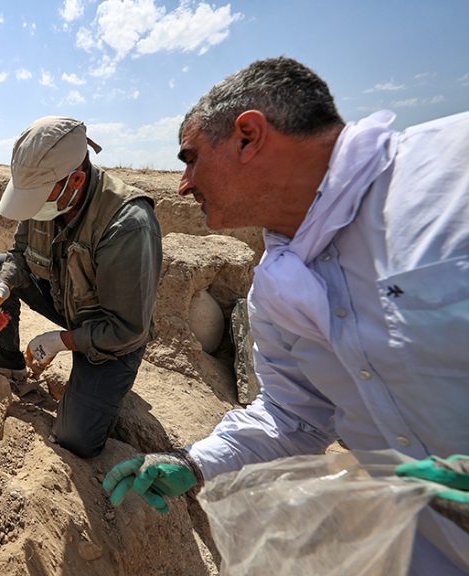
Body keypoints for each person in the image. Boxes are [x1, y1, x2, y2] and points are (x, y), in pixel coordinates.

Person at [103, 57, 469, 574]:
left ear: (248, 136)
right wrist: (193, 462)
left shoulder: (452, 175)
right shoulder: (278, 289)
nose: (183, 184)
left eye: (191, 158)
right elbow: (292, 417)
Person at [0, 116, 162, 459]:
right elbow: (18, 253)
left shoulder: (127, 225)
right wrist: (0, 290)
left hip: (112, 332)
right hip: (66, 298)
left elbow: (127, 327)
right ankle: (8, 357)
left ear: (75, 180)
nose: (32, 209)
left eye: (37, 199)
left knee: (76, 439)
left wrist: (61, 341)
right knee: (2, 265)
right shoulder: (45, 192)